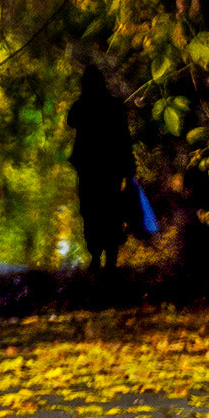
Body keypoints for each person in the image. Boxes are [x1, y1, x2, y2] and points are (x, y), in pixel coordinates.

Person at [65, 63, 135, 271]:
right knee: (110, 209)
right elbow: (125, 137)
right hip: (110, 167)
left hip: (90, 167)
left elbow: (71, 121)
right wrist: (129, 166)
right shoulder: (115, 106)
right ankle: (109, 256)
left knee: (92, 210)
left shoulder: (81, 106)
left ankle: (96, 256)